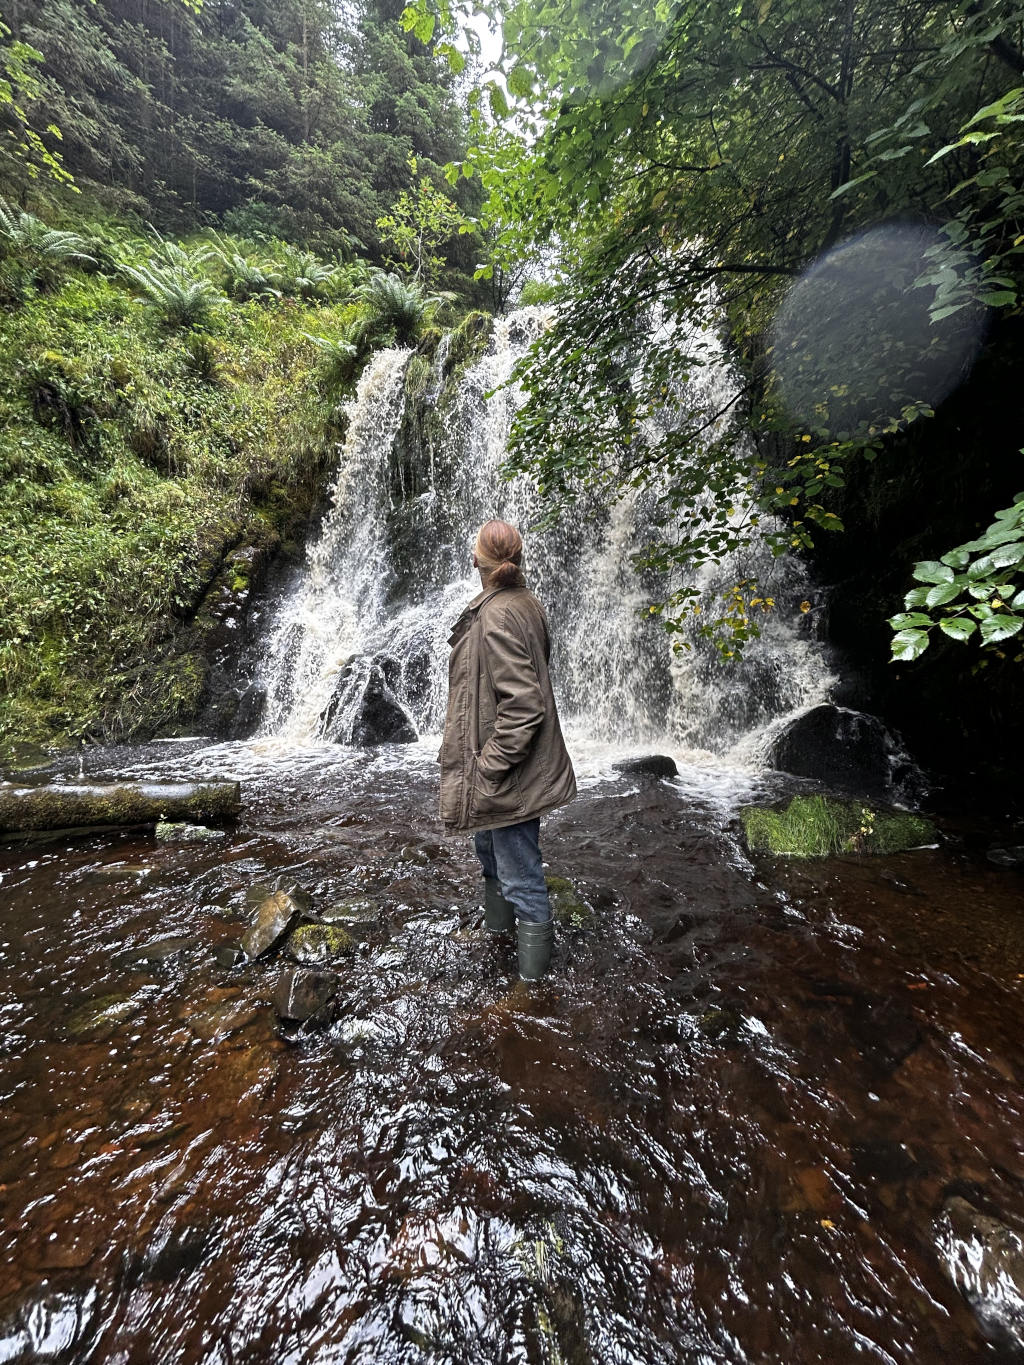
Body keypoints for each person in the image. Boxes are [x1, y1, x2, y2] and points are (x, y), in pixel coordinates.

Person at [439, 519, 576, 981]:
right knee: (490, 853)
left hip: (509, 772)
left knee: (521, 874)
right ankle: (497, 934)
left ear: (477, 560)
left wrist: (489, 765)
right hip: (505, 768)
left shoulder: (497, 614)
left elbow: (524, 705)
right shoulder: (524, 603)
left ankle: (532, 984)